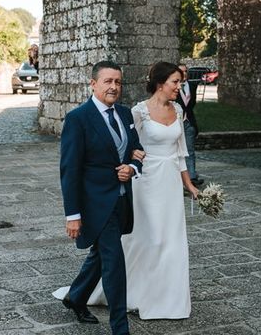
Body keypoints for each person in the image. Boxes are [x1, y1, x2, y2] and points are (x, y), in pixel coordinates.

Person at [83, 61, 200, 319]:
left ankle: (169, 299)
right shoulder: (139, 112)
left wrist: (189, 185)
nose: (179, 87)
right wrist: (128, 161)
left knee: (171, 239)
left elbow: (181, 153)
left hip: (169, 182)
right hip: (145, 182)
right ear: (160, 84)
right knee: (147, 238)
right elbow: (122, 142)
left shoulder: (179, 110)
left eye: (179, 83)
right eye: (175, 83)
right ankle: (134, 293)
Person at [57, 60, 143, 335]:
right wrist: (73, 215)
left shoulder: (126, 115)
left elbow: (137, 150)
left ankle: (76, 296)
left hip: (121, 201)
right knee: (114, 261)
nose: (114, 87)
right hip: (95, 204)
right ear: (93, 84)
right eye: (108, 81)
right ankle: (120, 328)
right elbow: (69, 171)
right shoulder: (78, 118)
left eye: (118, 82)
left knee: (101, 254)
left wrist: (132, 167)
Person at [177, 64, 204, 186]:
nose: (184, 73)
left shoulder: (192, 86)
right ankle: (179, 177)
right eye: (181, 71)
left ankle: (192, 176)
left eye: (186, 71)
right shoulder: (173, 87)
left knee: (190, 150)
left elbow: (191, 104)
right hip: (176, 122)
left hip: (189, 122)